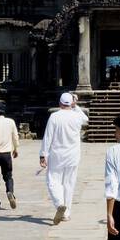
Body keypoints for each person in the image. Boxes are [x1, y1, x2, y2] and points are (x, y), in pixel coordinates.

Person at [40, 91, 88, 224]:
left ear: (60, 103)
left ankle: (60, 204)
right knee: (69, 184)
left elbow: (48, 136)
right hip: (73, 156)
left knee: (53, 181)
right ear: (71, 103)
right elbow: (86, 119)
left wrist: (43, 154)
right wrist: (76, 105)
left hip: (57, 155)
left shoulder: (54, 117)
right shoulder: (77, 116)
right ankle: (66, 214)